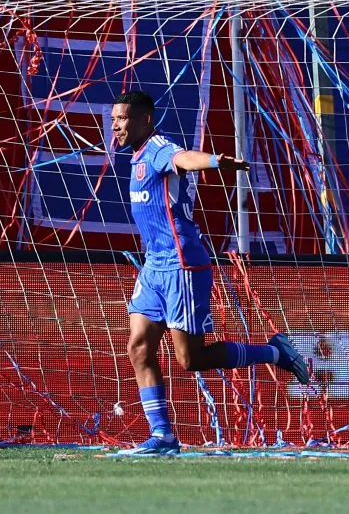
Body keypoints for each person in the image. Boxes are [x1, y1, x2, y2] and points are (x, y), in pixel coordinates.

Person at [111, 90, 309, 456]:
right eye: (114, 119)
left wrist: (216, 161)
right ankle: (163, 437)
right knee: (138, 346)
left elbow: (184, 159)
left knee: (191, 359)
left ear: (144, 119)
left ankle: (274, 353)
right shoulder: (137, 156)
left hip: (182, 265)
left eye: (122, 119)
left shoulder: (158, 148)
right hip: (154, 265)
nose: (116, 126)